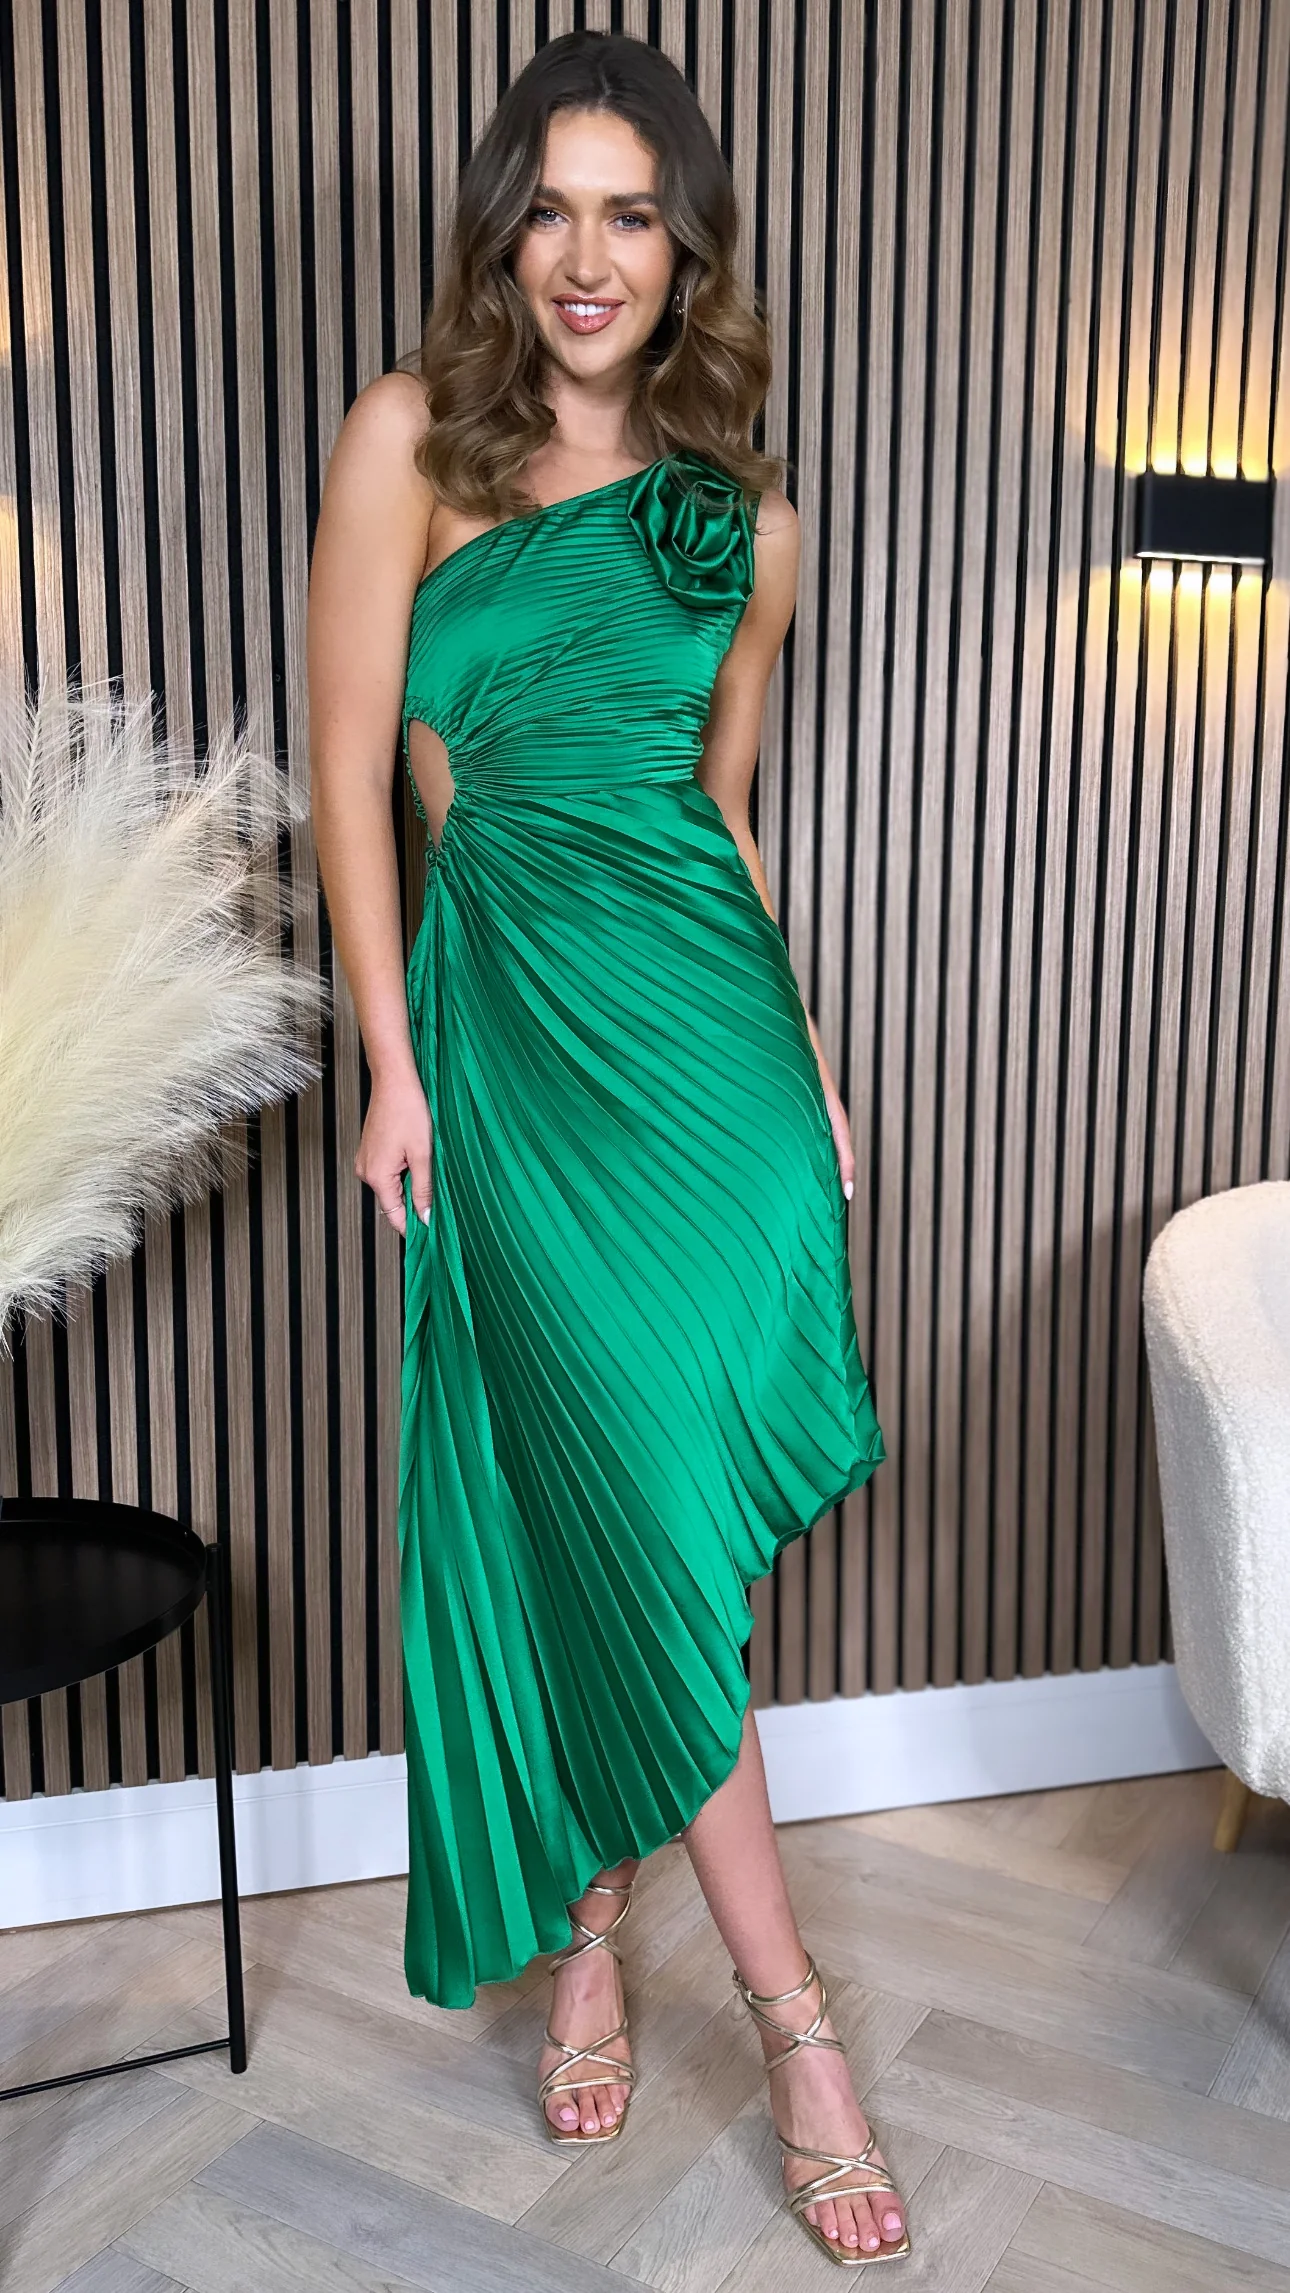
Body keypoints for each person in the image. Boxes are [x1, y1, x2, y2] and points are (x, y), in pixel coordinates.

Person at [308, 28, 907, 2269]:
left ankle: (607, 1939)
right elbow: (349, 773)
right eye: (550, 209)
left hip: (707, 1059)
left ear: (685, 248)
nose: (588, 256)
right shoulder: (407, 439)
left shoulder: (745, 520)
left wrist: (808, 1060)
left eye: (631, 213)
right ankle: (790, 2023)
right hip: (504, 1041)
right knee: (613, 1512)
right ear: (503, 236)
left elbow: (717, 815)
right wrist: (392, 1062)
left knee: (672, 1529)